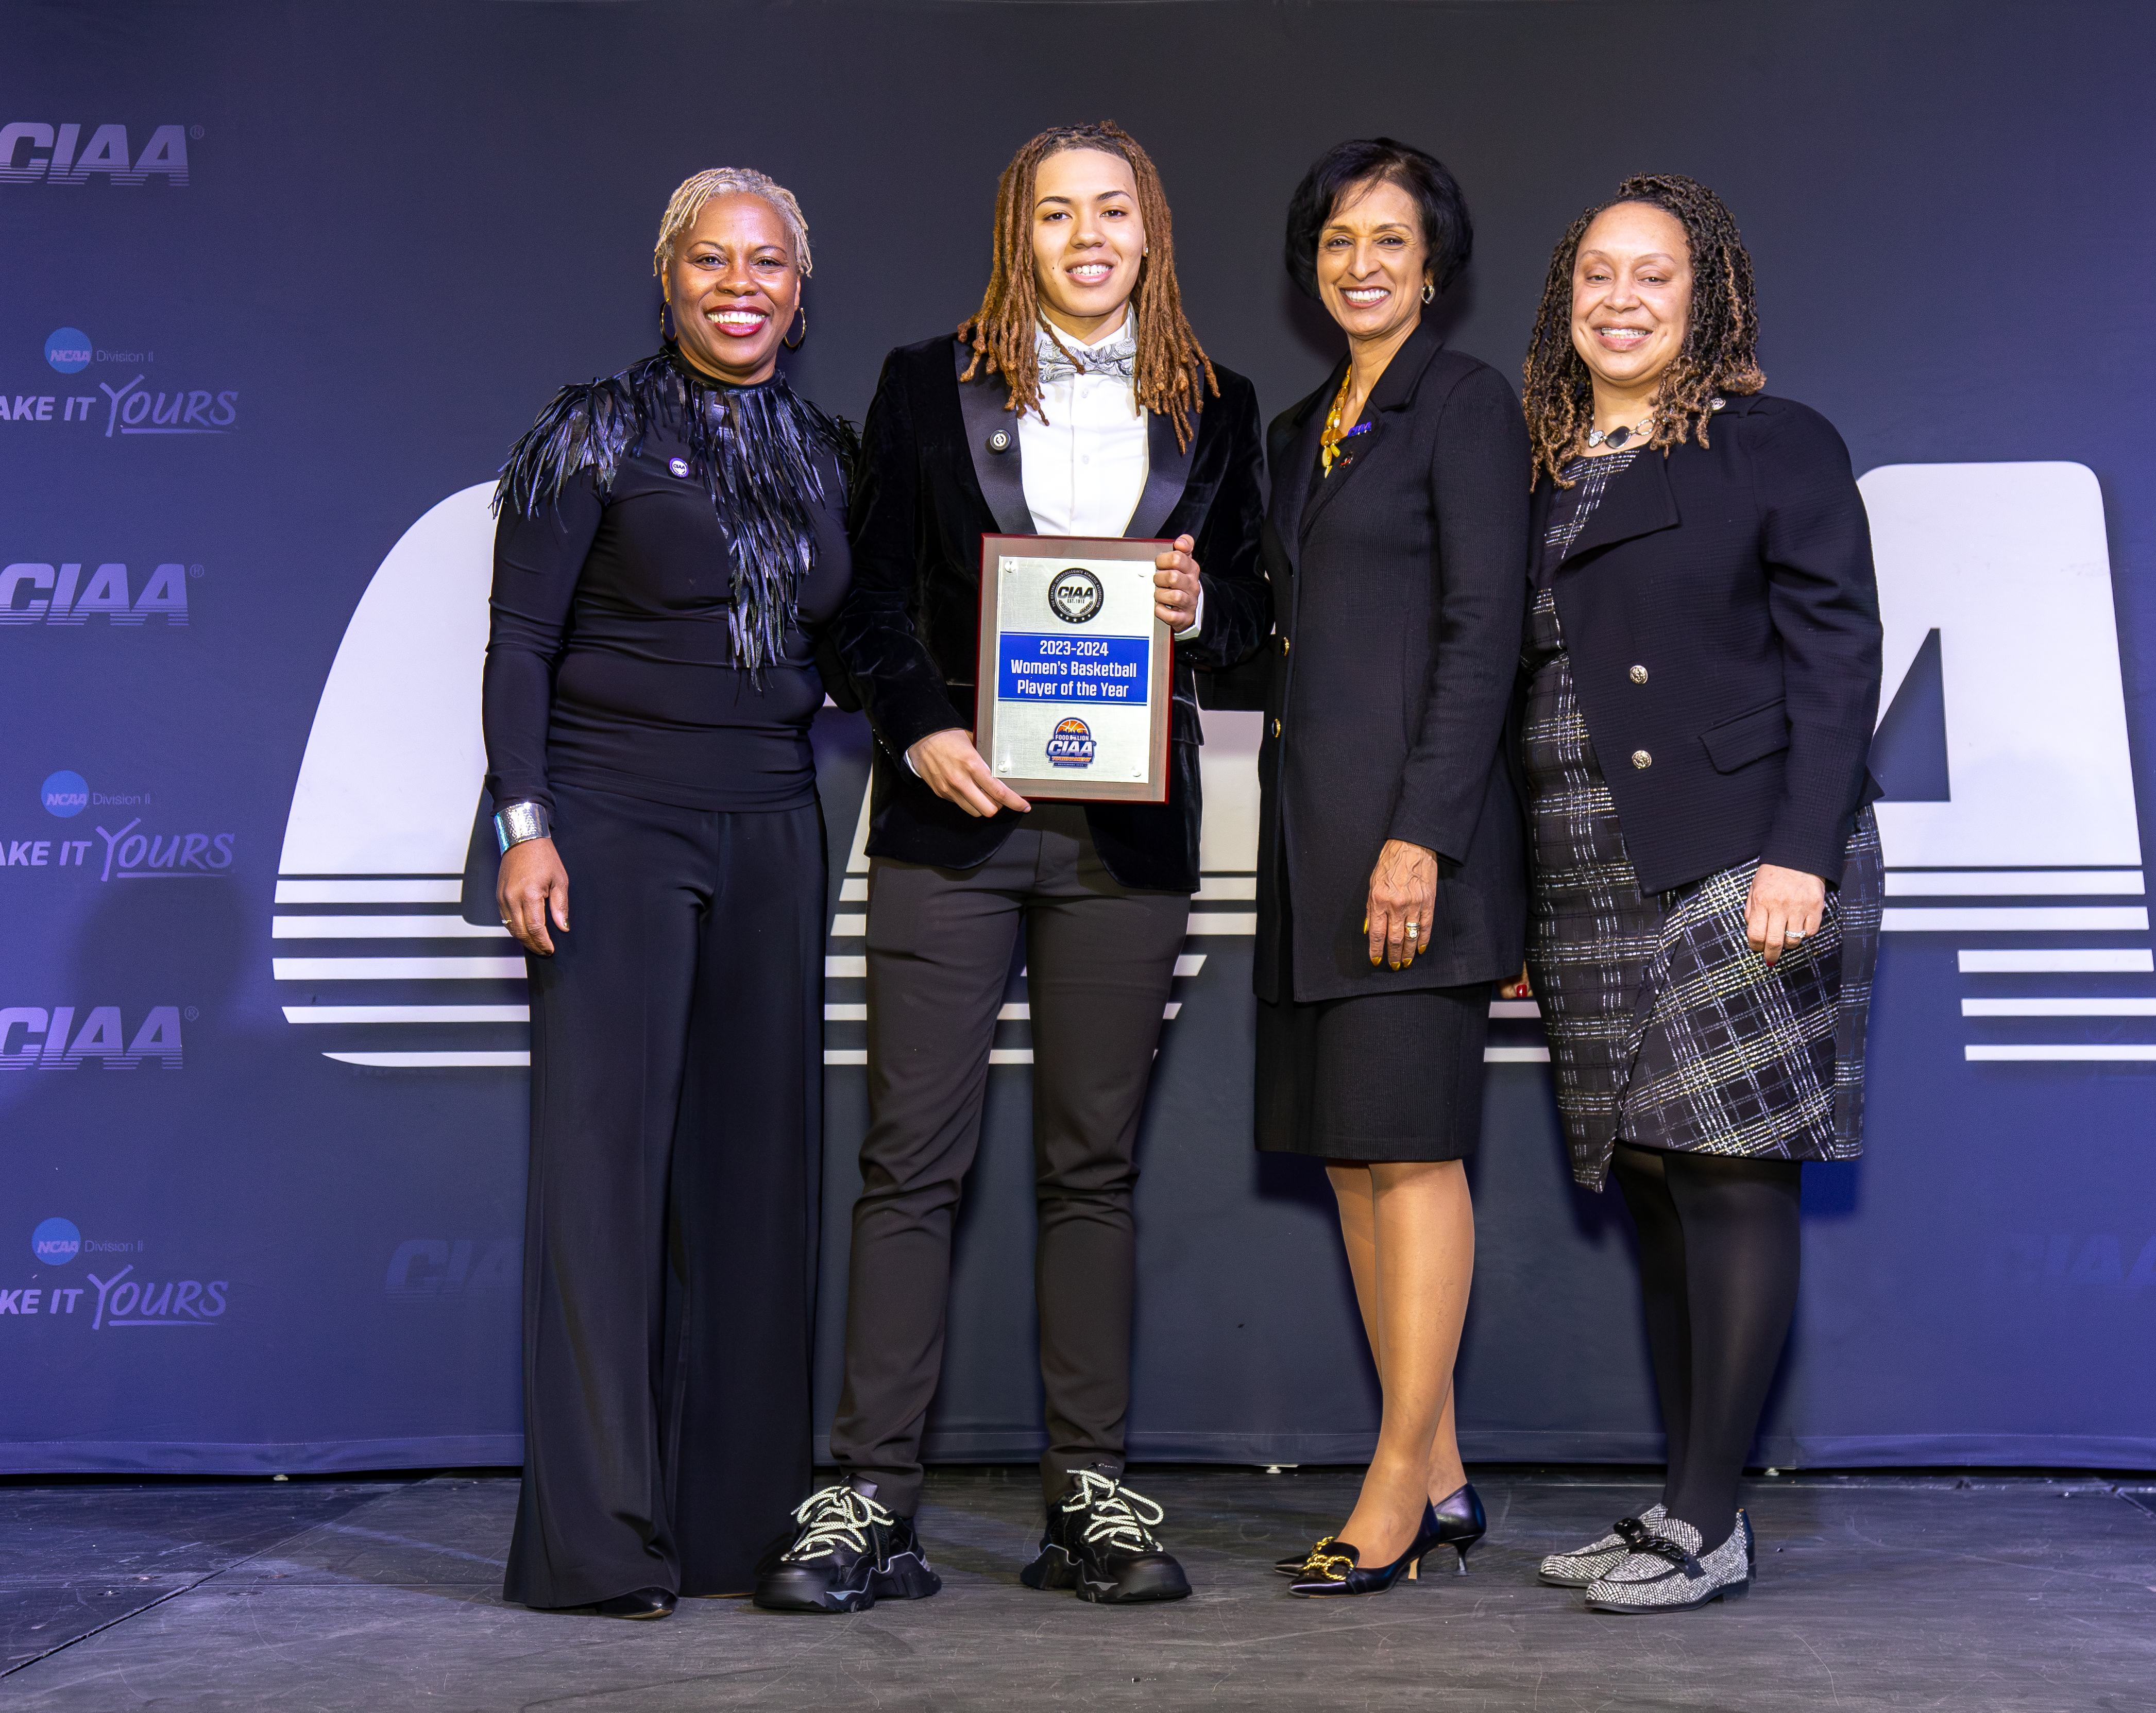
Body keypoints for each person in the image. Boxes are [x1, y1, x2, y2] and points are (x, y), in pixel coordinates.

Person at [752, 121, 1267, 1614]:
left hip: (1128, 833)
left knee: (1091, 1171)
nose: (1088, 236)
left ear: (1152, 231)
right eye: (1059, 215)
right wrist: (915, 730)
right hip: (952, 821)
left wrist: (1197, 598)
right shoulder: (928, 381)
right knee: (908, 1162)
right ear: (1018, 235)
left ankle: (1086, 1499)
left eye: (1114, 211)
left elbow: (1254, 619)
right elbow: (857, 607)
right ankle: (864, 1496)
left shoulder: (1214, 404)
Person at [484, 167, 853, 1620]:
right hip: (614, 825)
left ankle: (740, 1529)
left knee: (758, 1188)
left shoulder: (830, 451)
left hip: (774, 824)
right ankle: (595, 1548)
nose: (740, 283)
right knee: (604, 1187)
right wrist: (526, 825)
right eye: (712, 261)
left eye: (767, 261)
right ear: (669, 278)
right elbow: (518, 644)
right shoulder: (591, 429)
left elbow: (881, 624)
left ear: (800, 290)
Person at [1514, 175, 1884, 1614]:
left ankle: (1712, 1522)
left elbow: (1836, 659)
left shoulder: (1772, 444)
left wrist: (1802, 853)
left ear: (1706, 296)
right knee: (1659, 1175)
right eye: (1596, 272)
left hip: (1744, 847)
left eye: (1653, 275)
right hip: (1585, 862)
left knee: (1729, 1170)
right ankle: (1686, 1499)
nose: (1620, 297)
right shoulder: (1542, 461)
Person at [1251, 138, 1530, 1598]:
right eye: (1338, 240)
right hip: (1310, 853)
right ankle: (1445, 1470)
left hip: (1416, 850)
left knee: (1413, 1151)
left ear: (1436, 265)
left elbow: (1486, 633)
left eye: (1391, 241)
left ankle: (1393, 1480)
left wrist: (1423, 832)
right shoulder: (1304, 426)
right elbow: (1278, 645)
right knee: (1359, 1161)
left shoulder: (1466, 407)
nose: (1362, 263)